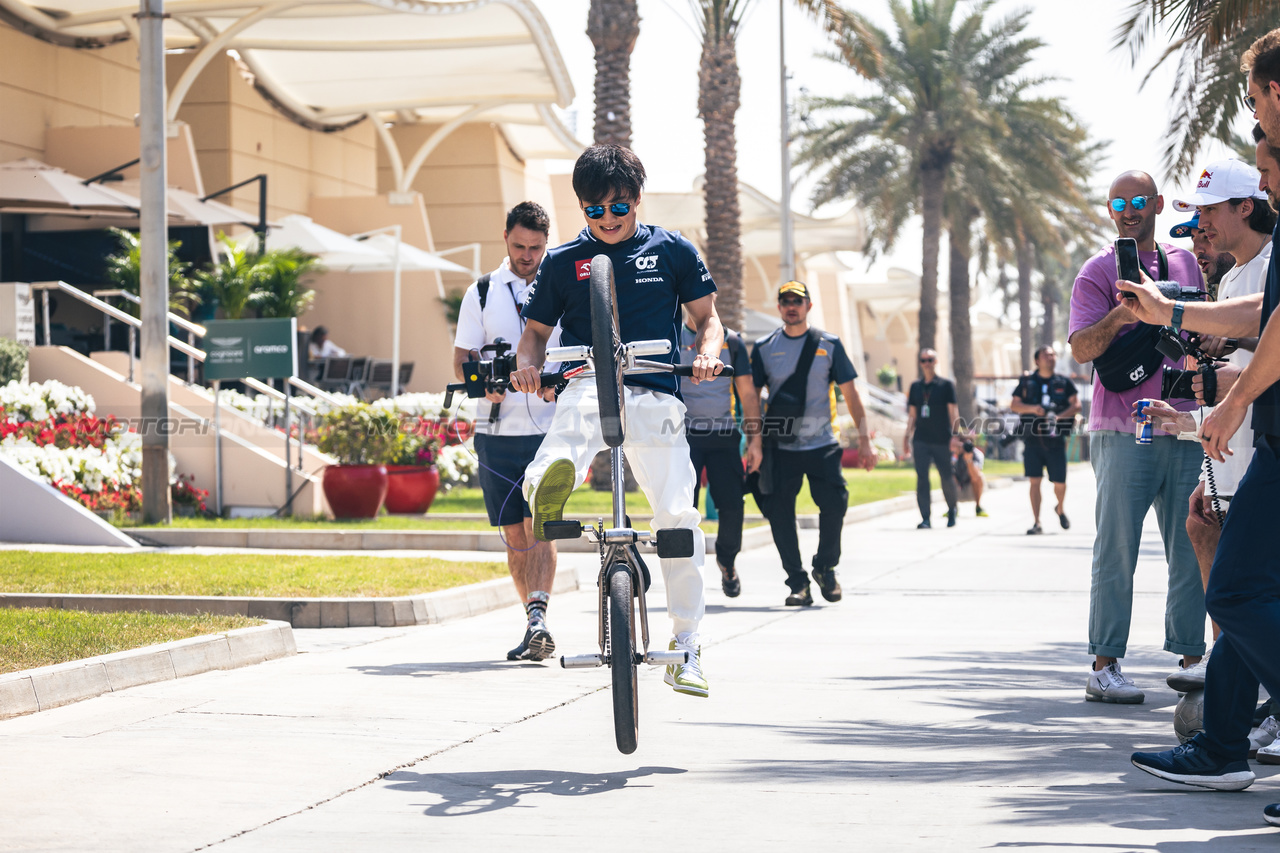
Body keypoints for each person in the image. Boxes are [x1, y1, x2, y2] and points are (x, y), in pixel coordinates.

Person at [1123, 33, 1280, 823]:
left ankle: (1224, 745)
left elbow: (1274, 327)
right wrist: (1174, 310)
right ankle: (1221, 745)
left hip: (1267, 445)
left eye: (1255, 100)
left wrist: (1229, 401)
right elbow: (1261, 315)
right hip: (1261, 446)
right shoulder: (1252, 265)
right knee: (1244, 589)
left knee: (1243, 589)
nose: (1198, 228)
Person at [509, 143, 725, 698]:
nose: (607, 219)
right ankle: (548, 491)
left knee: (678, 512)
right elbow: (534, 335)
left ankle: (688, 647)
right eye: (593, 210)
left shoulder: (673, 251)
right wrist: (528, 367)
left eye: (618, 207)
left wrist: (704, 353)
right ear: (582, 209)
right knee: (566, 435)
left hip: (654, 388)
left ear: (637, 200)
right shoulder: (561, 261)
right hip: (585, 381)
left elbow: (708, 320)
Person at [1067, 169, 1206, 705]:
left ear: (1159, 204)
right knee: (1116, 548)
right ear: (1109, 210)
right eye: (1119, 202)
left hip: (1182, 423)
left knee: (1194, 543)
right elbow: (1082, 348)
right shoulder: (1097, 272)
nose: (1129, 209)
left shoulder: (1186, 263)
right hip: (1120, 429)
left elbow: (1198, 331)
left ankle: (1193, 660)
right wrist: (1125, 312)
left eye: (1139, 200)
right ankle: (1104, 666)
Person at [453, 201, 562, 662]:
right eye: (519, 246)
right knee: (514, 534)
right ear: (505, 238)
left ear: (546, 244)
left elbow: (581, 350)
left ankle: (539, 616)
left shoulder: (562, 286)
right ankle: (532, 619)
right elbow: (462, 357)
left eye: (536, 247)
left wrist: (562, 385)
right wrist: (484, 388)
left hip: (549, 432)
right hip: (495, 433)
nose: (527, 255)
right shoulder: (482, 292)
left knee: (541, 527)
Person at [750, 281, 876, 606]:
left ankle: (825, 566)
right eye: (785, 301)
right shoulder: (764, 347)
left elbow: (851, 394)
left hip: (823, 445)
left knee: (834, 506)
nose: (792, 306)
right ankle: (797, 583)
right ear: (779, 307)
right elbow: (750, 396)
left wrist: (865, 441)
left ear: (808, 306)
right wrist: (755, 442)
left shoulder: (830, 345)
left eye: (798, 300)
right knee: (780, 514)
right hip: (781, 446)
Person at [676, 314, 761, 598]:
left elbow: (748, 395)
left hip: (723, 434)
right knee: (682, 508)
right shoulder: (671, 336)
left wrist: (755, 442)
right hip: (682, 435)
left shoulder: (732, 341)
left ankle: (727, 560)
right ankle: (685, 572)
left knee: (732, 504)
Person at [1009, 345, 1080, 535]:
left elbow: (1076, 405)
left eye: (1053, 355)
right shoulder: (1027, 382)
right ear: (1037, 361)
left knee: (1060, 484)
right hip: (1032, 439)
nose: (1051, 358)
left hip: (1055, 440)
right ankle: (1037, 522)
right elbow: (1014, 405)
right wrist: (1033, 409)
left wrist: (1060, 416)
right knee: (1034, 481)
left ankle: (1060, 507)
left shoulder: (1063, 382)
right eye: (1046, 355)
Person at [904, 349, 959, 529]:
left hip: (942, 439)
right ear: (920, 363)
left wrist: (955, 436)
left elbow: (953, 412)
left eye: (930, 360)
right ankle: (925, 517)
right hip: (921, 438)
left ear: (936, 361)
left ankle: (952, 509)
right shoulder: (915, 386)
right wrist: (907, 436)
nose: (927, 363)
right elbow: (912, 414)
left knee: (946, 476)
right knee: (922, 478)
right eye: (923, 360)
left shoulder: (946, 385)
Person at [950, 433, 985, 515]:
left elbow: (975, 477)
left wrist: (969, 461)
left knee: (979, 477)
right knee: (947, 477)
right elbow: (948, 471)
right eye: (963, 442)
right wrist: (955, 456)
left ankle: (978, 507)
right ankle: (952, 508)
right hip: (957, 488)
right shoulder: (954, 453)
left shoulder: (977, 454)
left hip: (970, 489)